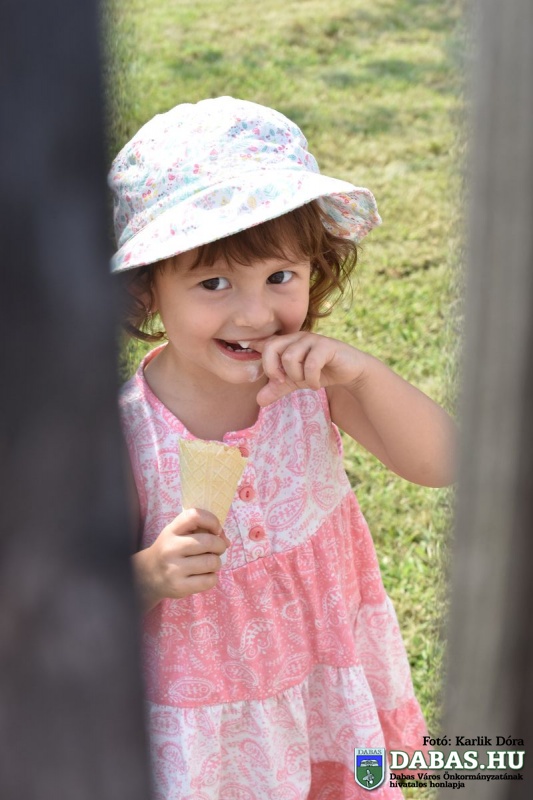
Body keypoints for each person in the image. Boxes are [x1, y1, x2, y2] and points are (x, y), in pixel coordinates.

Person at [109, 96, 455, 799]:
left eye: (280, 277)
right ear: (147, 292)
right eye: (213, 283)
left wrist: (363, 374)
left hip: (324, 683)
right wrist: (150, 573)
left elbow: (439, 463)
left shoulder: (312, 387)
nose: (255, 313)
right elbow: (74, 604)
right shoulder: (128, 433)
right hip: (205, 729)